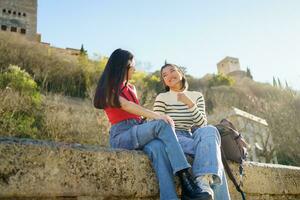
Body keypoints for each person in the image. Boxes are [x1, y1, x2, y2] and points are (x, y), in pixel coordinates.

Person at [94, 49, 212, 200]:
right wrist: (158, 116)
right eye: (133, 66)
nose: (135, 69)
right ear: (125, 65)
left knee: (159, 147)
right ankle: (185, 179)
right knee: (162, 124)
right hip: (121, 135)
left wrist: (148, 119)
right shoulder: (108, 87)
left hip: (137, 130)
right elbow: (126, 106)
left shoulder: (132, 88)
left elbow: (137, 113)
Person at [153, 63, 231, 200]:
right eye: (165, 75)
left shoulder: (196, 96)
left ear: (181, 73)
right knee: (213, 153)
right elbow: (158, 125)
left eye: (172, 71)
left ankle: (202, 183)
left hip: (191, 135)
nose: (169, 76)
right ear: (164, 81)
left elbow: (202, 123)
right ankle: (209, 189)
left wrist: (189, 103)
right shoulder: (162, 97)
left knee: (210, 129)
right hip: (172, 137)